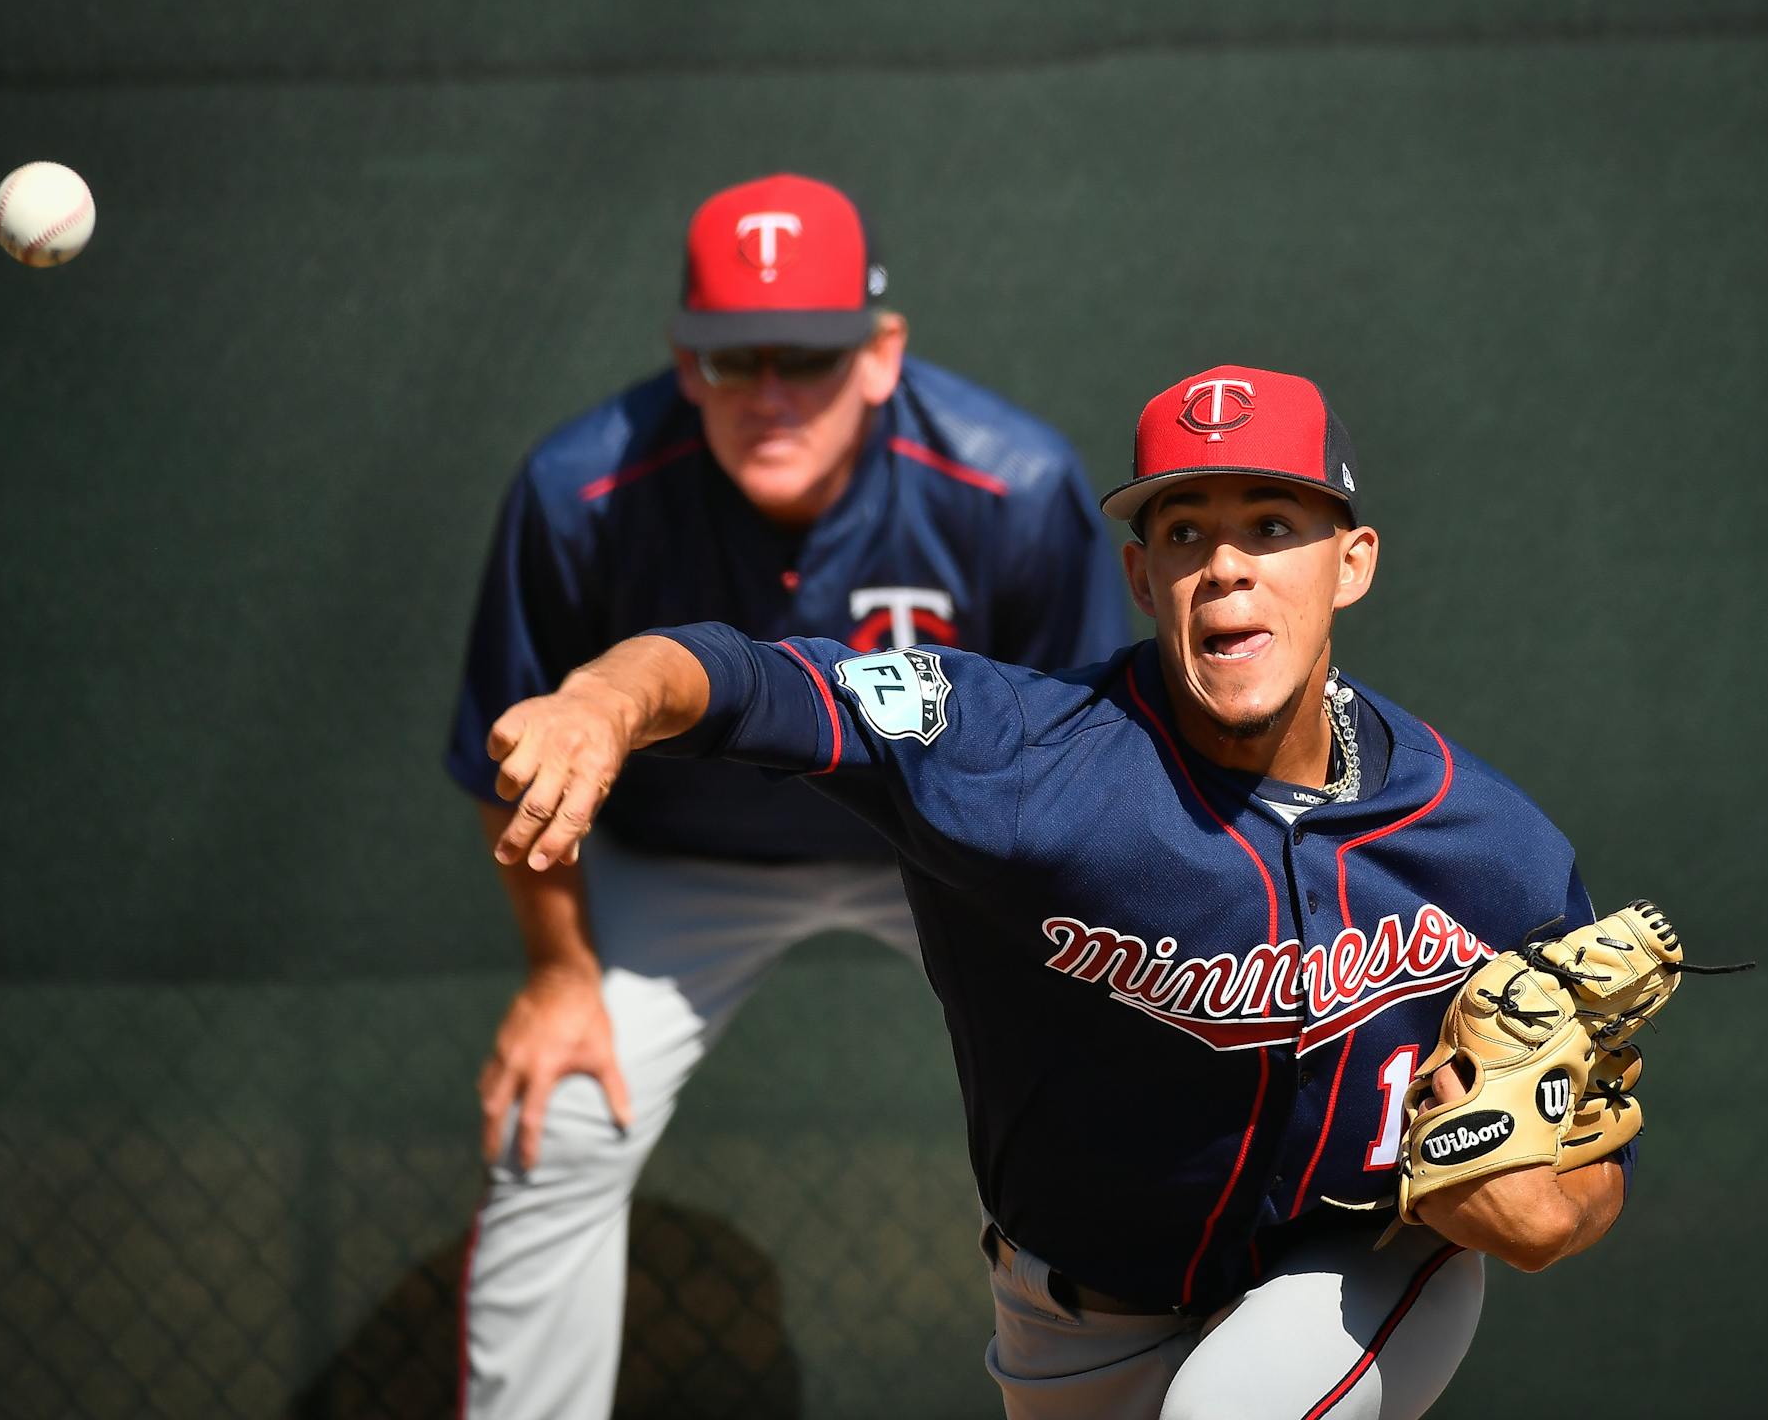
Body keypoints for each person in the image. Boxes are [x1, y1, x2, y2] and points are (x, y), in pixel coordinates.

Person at [480, 363, 1631, 1419]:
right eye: (1187, 531)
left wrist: (1561, 1213)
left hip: (1355, 1272)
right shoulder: (1015, 750)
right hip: (1067, 1316)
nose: (1226, 566)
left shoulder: (1490, 848)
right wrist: (605, 702)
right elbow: (749, 677)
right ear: (1142, 574)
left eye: (1273, 526)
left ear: (1354, 562)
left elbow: (1597, 1149)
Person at [443, 172, 1129, 1419]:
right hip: (677, 858)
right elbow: (514, 756)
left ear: (878, 356)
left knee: (1104, 1118)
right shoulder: (580, 490)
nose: (768, 394)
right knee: (556, 1125)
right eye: (731, 357)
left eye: (806, 358)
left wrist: (1070, 992)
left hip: (946, 854)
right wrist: (557, 977)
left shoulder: (1011, 489)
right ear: (682, 358)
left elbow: (1079, 768)